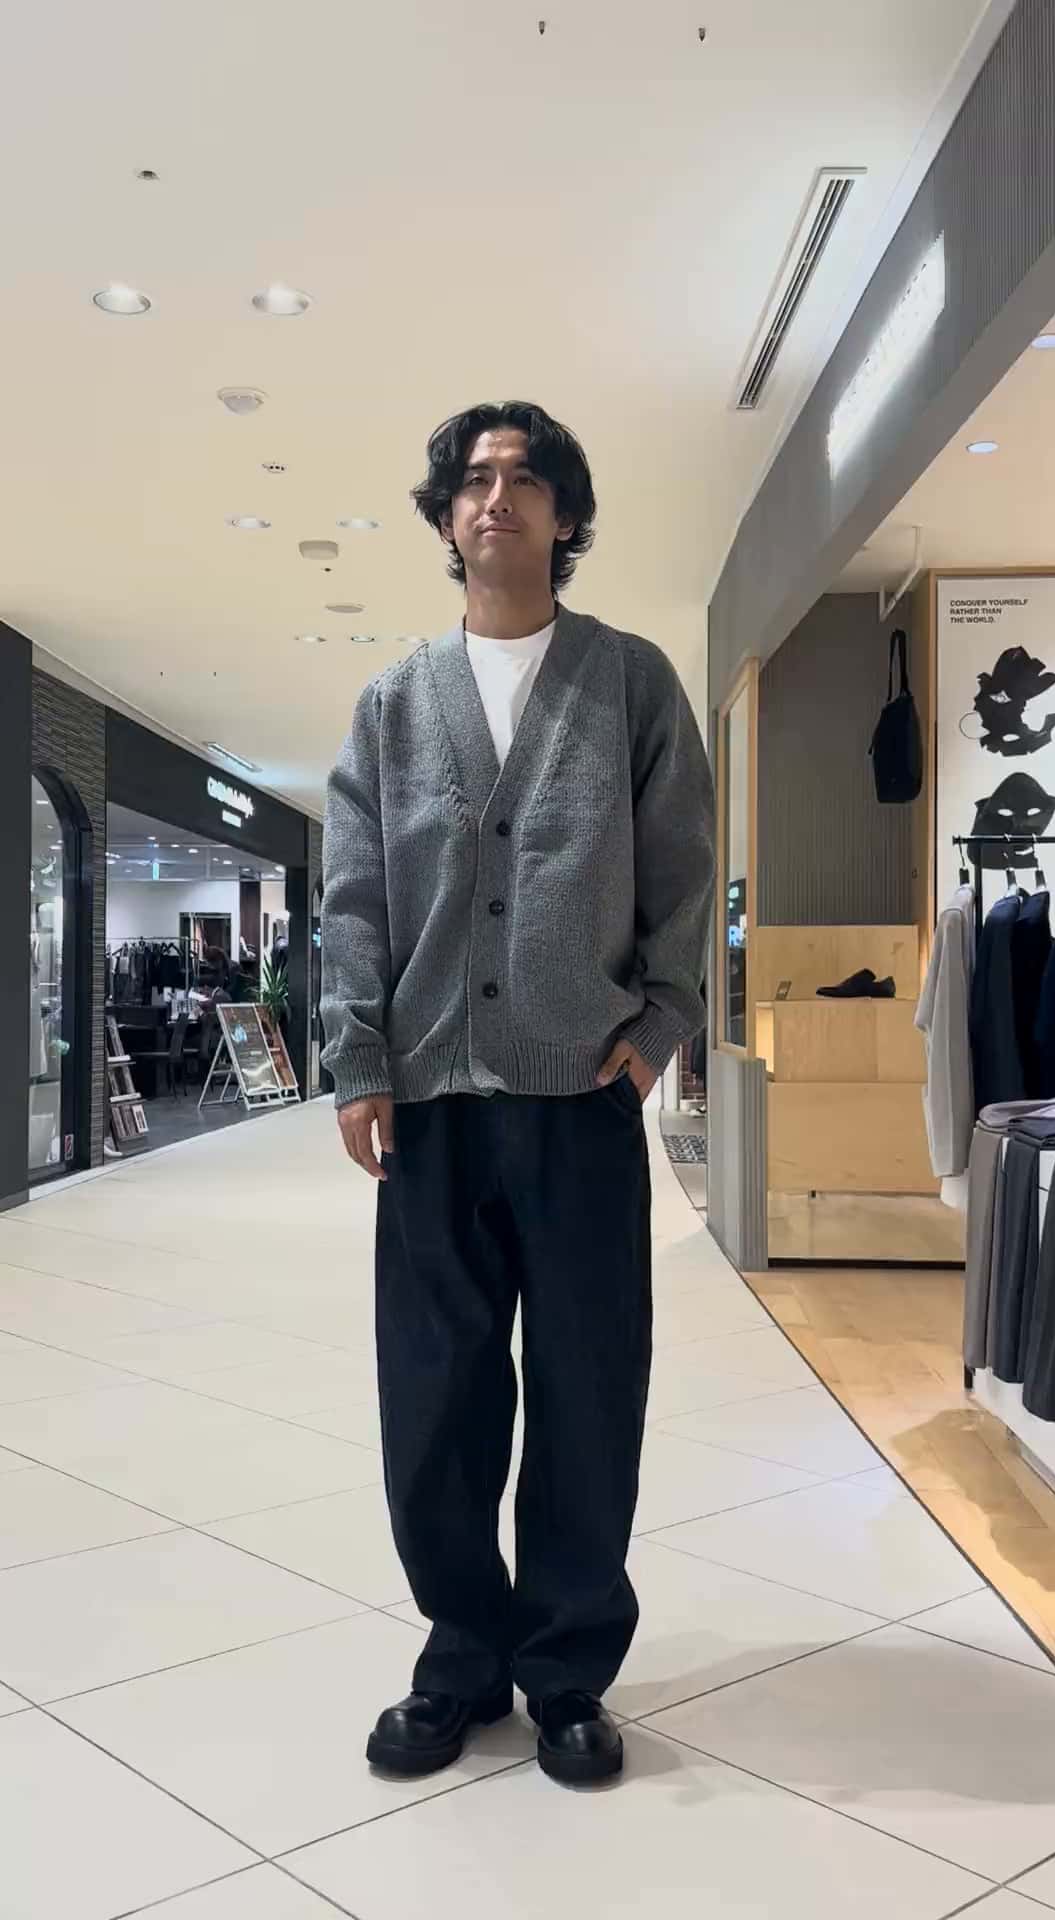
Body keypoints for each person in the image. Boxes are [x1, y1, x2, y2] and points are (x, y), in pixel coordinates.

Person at [321, 401, 713, 1787]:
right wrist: (358, 1058)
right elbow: (354, 895)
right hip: (431, 1104)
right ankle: (461, 1656)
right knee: (435, 1394)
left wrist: (660, 1027)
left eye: (527, 478)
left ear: (565, 515)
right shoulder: (394, 702)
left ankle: (566, 1670)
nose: (500, 496)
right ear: (446, 517)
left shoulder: (630, 683)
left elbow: (683, 868)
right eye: (476, 479)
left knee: (589, 1388)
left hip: (580, 1099)